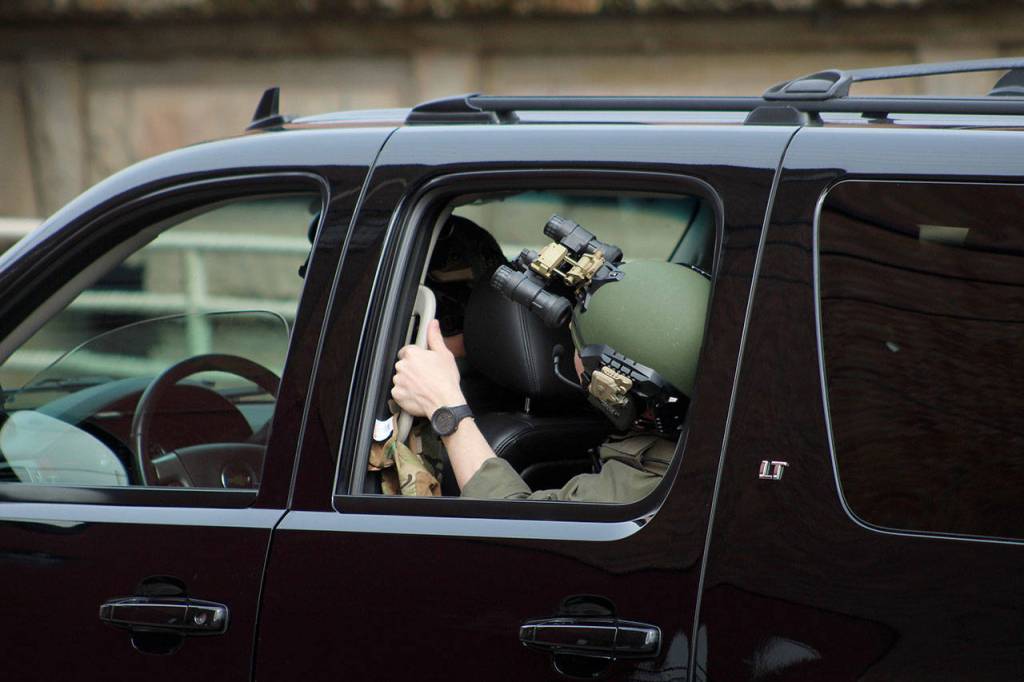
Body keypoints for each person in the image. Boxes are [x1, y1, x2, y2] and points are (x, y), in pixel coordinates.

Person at [391, 259, 710, 503]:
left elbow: (511, 530)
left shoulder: (642, 492)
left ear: (613, 389)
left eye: (576, 343)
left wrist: (446, 406)